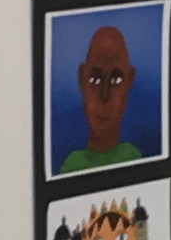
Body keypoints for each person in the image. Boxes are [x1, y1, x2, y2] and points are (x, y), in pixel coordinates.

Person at [58, 20, 146, 171]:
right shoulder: (71, 166)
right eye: (95, 80)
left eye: (116, 80)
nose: (105, 95)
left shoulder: (133, 157)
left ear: (129, 81)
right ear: (81, 79)